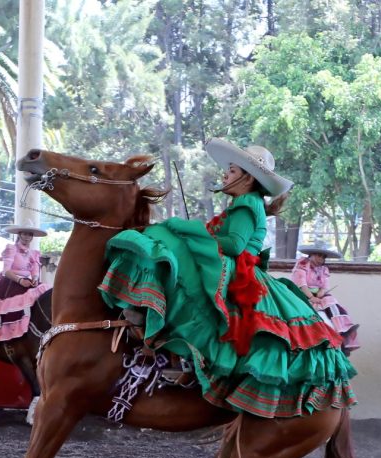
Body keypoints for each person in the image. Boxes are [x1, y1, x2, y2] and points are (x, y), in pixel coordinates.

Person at [98, 138, 356, 419]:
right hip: (235, 268)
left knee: (175, 256)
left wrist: (193, 232)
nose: (225, 174)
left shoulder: (247, 203)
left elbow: (233, 245)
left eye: (232, 171)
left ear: (248, 177)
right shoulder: (245, 202)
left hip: (239, 273)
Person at [290, 246, 359, 353]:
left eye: (323, 257)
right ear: (311, 255)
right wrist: (311, 297)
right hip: (301, 294)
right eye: (318, 255)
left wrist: (319, 295)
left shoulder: (324, 269)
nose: (321, 259)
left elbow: (325, 286)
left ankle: (343, 329)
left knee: (332, 303)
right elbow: (301, 283)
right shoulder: (303, 264)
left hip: (318, 295)